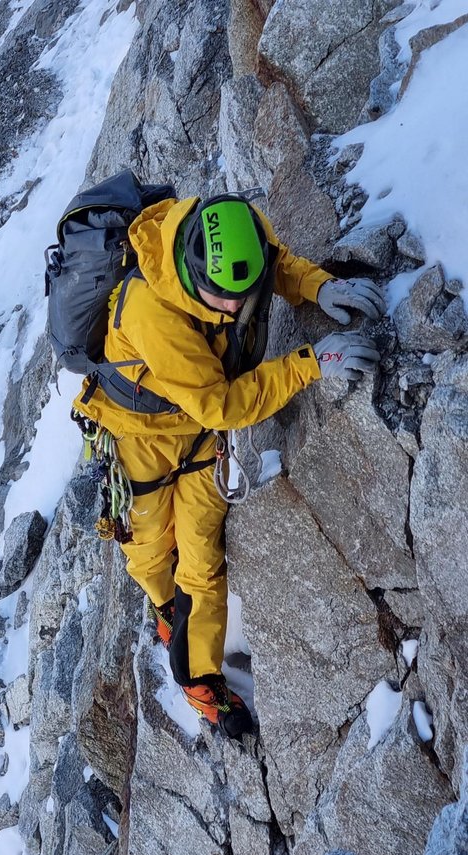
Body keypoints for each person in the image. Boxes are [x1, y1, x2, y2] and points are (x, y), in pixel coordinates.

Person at [73, 193, 383, 739]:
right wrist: (312, 363)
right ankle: (165, 606)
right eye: (224, 298)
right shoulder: (153, 313)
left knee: (201, 557)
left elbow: (271, 268)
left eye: (240, 296)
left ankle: (198, 677)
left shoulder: (242, 231)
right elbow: (224, 404)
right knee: (148, 550)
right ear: (193, 276)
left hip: (195, 433)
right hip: (136, 436)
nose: (238, 308)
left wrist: (317, 286)